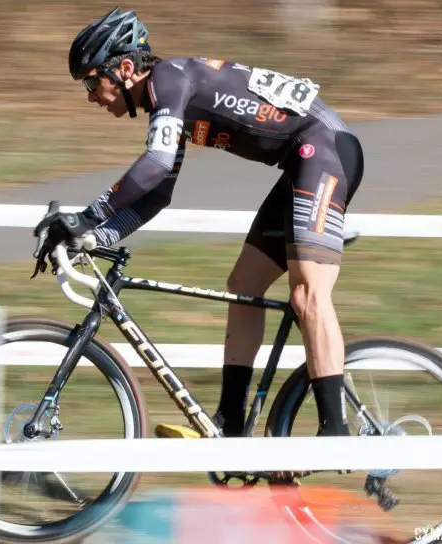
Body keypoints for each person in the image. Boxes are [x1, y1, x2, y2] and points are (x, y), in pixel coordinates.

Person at [34, 7, 364, 444]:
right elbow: (158, 192)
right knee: (243, 285)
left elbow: (154, 165)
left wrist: (85, 216)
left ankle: (335, 431)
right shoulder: (172, 98)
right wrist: (95, 236)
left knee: (308, 294)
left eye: (94, 82)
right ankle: (229, 422)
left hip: (324, 155)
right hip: (303, 161)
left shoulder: (170, 79)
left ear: (127, 68)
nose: (92, 96)